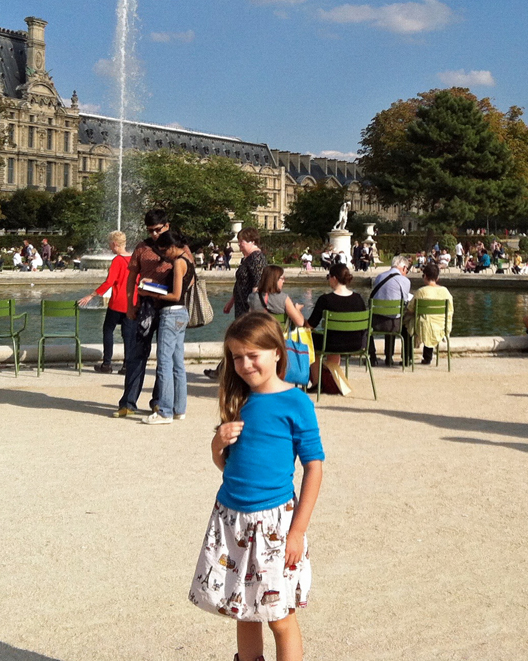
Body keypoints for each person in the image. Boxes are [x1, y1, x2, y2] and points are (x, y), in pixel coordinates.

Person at [188, 312, 324, 661]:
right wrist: (217, 445)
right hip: (231, 518)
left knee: (279, 616)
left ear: (277, 352)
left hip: (274, 523)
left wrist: (298, 530)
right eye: (236, 357)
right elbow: (228, 468)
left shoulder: (296, 402)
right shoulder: (238, 399)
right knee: (242, 608)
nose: (245, 365)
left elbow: (314, 467)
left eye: (253, 355)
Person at [120, 209, 193, 417]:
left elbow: (190, 277)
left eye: (157, 230)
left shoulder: (179, 248)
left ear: (167, 226)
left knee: (165, 359)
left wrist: (166, 291)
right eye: (150, 230)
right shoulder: (142, 247)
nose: (153, 234)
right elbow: (131, 276)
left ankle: (159, 402)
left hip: (169, 306)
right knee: (137, 354)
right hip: (146, 306)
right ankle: (128, 402)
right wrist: (129, 304)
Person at [139, 227, 195, 425]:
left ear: (172, 247)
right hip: (182, 313)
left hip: (171, 313)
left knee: (164, 363)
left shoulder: (179, 262)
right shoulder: (188, 260)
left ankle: (164, 411)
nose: (163, 255)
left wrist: (149, 292)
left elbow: (174, 295)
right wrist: (154, 284)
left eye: (164, 250)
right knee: (178, 363)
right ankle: (179, 408)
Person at [205, 227, 266, 381]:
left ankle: (224, 371)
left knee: (238, 338)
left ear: (252, 241)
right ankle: (225, 370)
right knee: (237, 338)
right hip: (242, 305)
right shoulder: (249, 258)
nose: (239, 245)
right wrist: (232, 301)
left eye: (242, 242)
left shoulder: (256, 258)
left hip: (248, 307)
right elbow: (242, 283)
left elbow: (257, 284)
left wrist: (253, 307)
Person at [79, 230, 136, 376]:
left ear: (115, 244)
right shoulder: (135, 259)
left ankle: (107, 363)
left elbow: (109, 282)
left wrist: (92, 295)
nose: (110, 247)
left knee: (108, 330)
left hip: (117, 302)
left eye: (110, 244)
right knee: (128, 335)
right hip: (132, 302)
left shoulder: (117, 260)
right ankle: (127, 365)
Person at [305, 263, 366, 387]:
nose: (328, 280)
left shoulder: (325, 299)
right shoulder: (358, 299)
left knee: (310, 339)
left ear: (334, 278)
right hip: (355, 343)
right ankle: (332, 377)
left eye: (328, 277)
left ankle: (317, 382)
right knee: (335, 336)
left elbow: (311, 325)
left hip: (333, 343)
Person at [404, 263, 454, 365]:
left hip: (424, 327)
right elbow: (450, 310)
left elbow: (411, 309)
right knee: (429, 321)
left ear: (425, 276)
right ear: (437, 278)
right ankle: (427, 357)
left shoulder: (421, 291)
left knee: (407, 324)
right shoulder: (445, 292)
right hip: (440, 326)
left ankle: (407, 358)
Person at [368, 254, 412, 366]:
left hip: (376, 322)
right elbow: (405, 300)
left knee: (388, 314)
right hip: (394, 324)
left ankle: (372, 357)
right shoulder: (404, 280)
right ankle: (406, 358)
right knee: (406, 323)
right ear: (403, 268)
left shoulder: (379, 277)